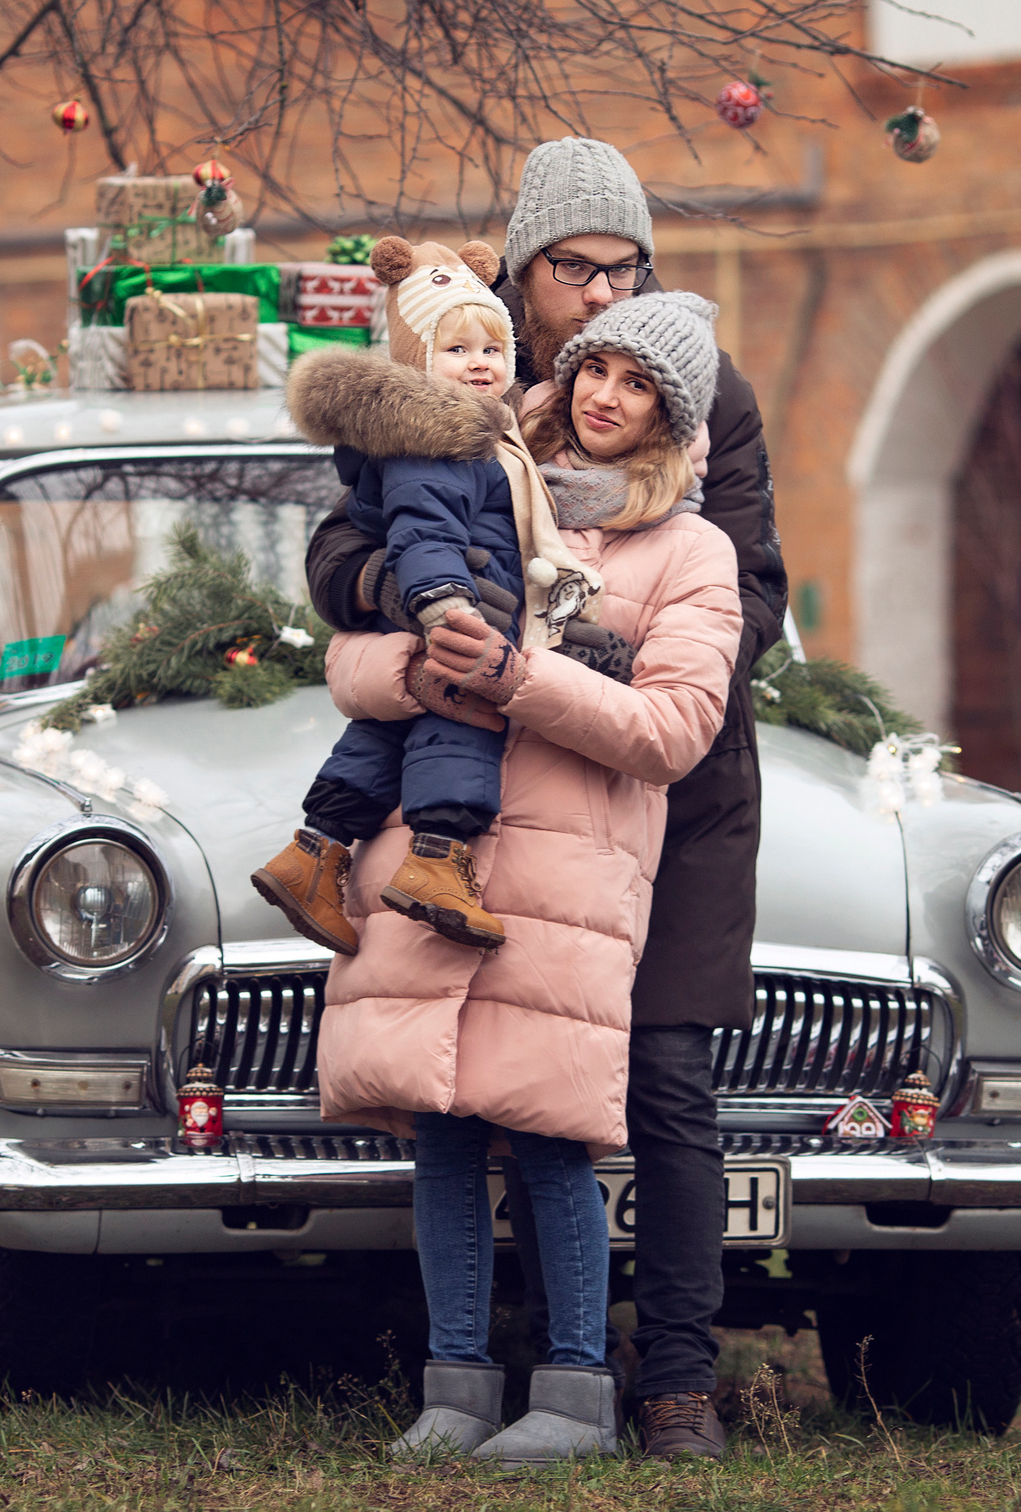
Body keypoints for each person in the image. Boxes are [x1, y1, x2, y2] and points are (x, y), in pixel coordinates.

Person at [303, 137, 788, 1461]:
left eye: (622, 268)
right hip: (488, 772)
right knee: (465, 1082)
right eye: (573, 269)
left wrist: (563, 661)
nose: (597, 295)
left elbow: (740, 589)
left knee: (660, 1071)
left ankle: (666, 1375)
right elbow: (347, 543)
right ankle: (474, 1369)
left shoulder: (697, 393)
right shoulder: (468, 376)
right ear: (525, 275)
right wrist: (417, 613)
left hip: (665, 786)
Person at [252, 237, 599, 955]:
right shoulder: (435, 440)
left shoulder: (477, 435)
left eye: (491, 349)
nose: (479, 362)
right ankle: (439, 860)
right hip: (458, 618)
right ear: (416, 362)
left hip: (462, 610)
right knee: (463, 723)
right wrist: (446, 603)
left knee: (383, 734)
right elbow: (423, 531)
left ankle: (314, 852)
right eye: (456, 348)